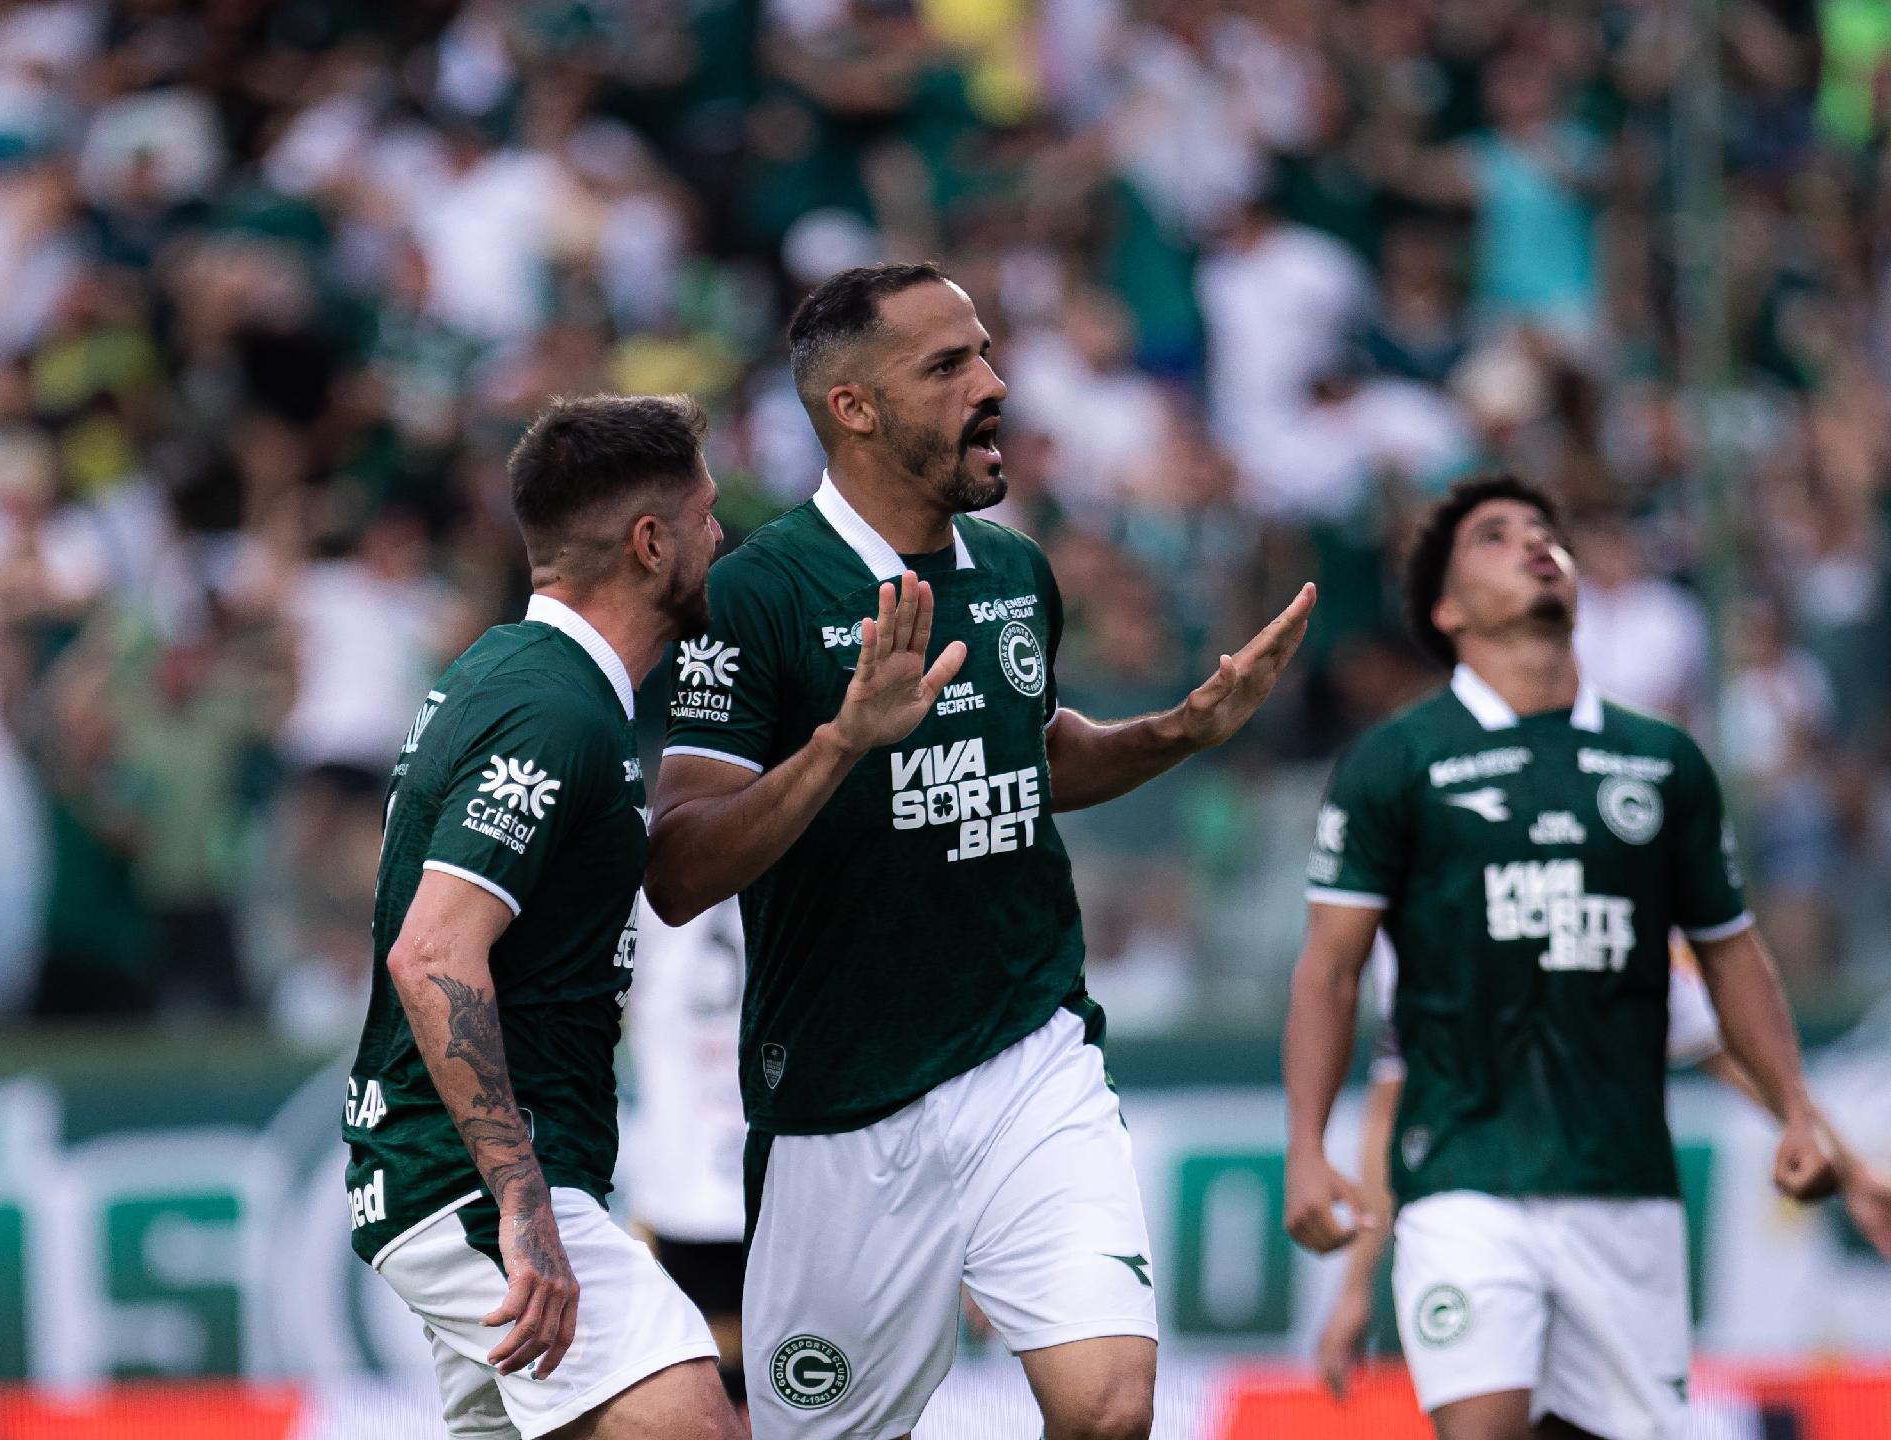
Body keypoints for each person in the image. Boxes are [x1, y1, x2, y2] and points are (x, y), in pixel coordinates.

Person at [645, 261, 1315, 1440]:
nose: (993, 384)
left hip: (1029, 1050)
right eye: (949, 366)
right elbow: (681, 863)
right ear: (853, 408)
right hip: (842, 1105)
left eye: (988, 355)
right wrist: (844, 742)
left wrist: (1179, 732)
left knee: (1109, 1405)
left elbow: (1031, 753)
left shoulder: (1013, 573)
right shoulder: (752, 597)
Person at [1282, 473, 1844, 1440]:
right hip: (1459, 1178)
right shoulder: (1396, 764)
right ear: (1449, 610)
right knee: (1487, 1424)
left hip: (1624, 1191)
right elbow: (1332, 975)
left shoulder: (1663, 762)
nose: (1537, 544)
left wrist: (1799, 1109)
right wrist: (1305, 1153)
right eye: (1497, 537)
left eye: (1547, 531)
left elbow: (1730, 957)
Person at [342, 394, 742, 1440]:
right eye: (705, 515)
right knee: (699, 1419)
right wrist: (522, 1203)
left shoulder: (520, 679)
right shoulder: (554, 710)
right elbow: (431, 954)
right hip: (472, 1183)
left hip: (471, 1176)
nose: (721, 536)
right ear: (652, 543)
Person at [1313, 936, 1891, 1399]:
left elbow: (1736, 1053)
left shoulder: (1610, 885)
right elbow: (1394, 1113)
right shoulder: (1420, 907)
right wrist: (1356, 1283)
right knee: (1487, 1412)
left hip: (1604, 1227)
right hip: (1475, 1222)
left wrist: (1852, 1167)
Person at [622, 893, 751, 1413]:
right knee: (800, 1386)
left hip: (685, 1181)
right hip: (777, 1175)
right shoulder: (804, 825)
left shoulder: (642, 854)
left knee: (707, 1396)